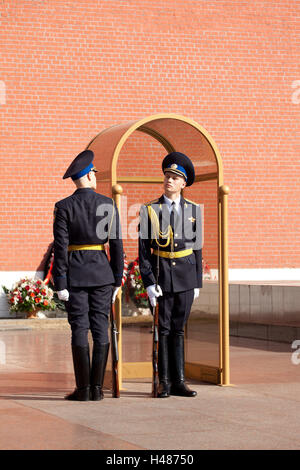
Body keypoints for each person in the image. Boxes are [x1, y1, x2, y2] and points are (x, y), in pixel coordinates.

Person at [53, 149, 124, 401]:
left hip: (76, 277)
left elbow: (60, 248)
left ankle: (83, 390)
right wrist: (117, 278)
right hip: (103, 275)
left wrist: (60, 281)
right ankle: (97, 389)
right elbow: (116, 245)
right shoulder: (108, 204)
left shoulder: (63, 207)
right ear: (89, 176)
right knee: (100, 328)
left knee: (79, 329)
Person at [139, 152, 202, 398]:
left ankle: (180, 382)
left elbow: (197, 249)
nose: (170, 180)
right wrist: (149, 283)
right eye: (167, 175)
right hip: (162, 277)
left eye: (175, 177)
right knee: (163, 330)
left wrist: (196, 282)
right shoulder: (150, 210)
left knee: (178, 329)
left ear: (183, 183)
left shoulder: (194, 210)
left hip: (186, 278)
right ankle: (163, 381)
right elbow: (144, 252)